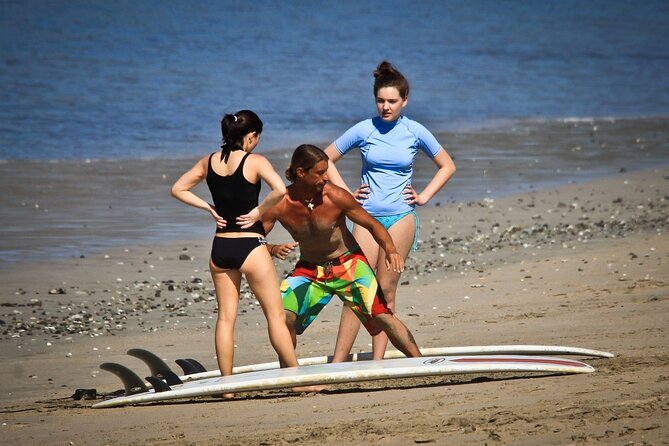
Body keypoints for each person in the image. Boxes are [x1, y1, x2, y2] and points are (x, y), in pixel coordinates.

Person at [323, 61, 456, 360]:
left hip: (400, 218)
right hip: (366, 217)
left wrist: (423, 196)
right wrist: (345, 194)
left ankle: (378, 362)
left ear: (404, 101)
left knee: (385, 290)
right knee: (356, 291)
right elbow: (325, 159)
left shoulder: (415, 131)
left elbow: (447, 165)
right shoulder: (364, 129)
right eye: (381, 100)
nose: (386, 107)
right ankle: (339, 362)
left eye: (392, 101)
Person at [171, 110, 300, 397]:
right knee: (276, 317)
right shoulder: (255, 162)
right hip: (250, 246)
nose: (257, 143)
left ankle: (227, 386)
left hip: (220, 247)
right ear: (251, 136)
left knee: (226, 319)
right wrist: (258, 210)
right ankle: (297, 379)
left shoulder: (209, 162)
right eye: (257, 138)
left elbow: (177, 188)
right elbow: (280, 190)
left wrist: (208, 208)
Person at [262, 144, 422, 362]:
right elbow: (252, 236)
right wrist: (272, 248)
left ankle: (420, 362)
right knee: (282, 317)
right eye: (320, 173)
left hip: (349, 264)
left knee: (383, 316)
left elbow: (373, 225)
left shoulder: (336, 197)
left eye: (326, 171)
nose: (326, 177)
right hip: (309, 270)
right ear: (301, 173)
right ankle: (291, 373)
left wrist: (390, 249)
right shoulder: (280, 204)